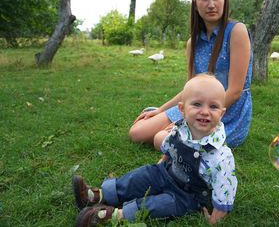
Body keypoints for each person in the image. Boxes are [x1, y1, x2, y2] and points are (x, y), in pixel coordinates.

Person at [73, 74, 237, 226]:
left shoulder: (221, 156)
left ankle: (113, 216)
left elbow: (225, 190)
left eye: (213, 106)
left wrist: (215, 219)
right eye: (197, 104)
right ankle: (100, 195)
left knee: (157, 205)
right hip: (166, 173)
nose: (205, 111)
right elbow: (171, 148)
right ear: (182, 109)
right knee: (140, 176)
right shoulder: (180, 128)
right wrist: (161, 164)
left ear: (221, 113)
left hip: (187, 196)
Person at [129, 0, 253, 150]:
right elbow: (190, 89)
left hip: (226, 111)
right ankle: (172, 124)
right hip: (195, 106)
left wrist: (191, 120)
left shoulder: (236, 31)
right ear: (195, 4)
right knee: (137, 133)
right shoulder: (192, 42)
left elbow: (235, 91)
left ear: (225, 1)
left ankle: (182, 134)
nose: (211, 4)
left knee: (161, 138)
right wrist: (161, 110)